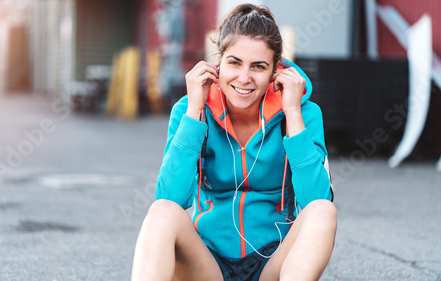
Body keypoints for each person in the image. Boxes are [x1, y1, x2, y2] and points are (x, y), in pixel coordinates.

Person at [131, 3, 337, 281]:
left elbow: (317, 200)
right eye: (235, 62)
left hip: (272, 265)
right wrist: (194, 112)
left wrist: (293, 114)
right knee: (161, 212)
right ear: (219, 62)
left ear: (276, 70)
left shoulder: (304, 114)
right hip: (208, 265)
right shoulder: (188, 109)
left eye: (258, 67)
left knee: (323, 211)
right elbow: (171, 196)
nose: (244, 78)